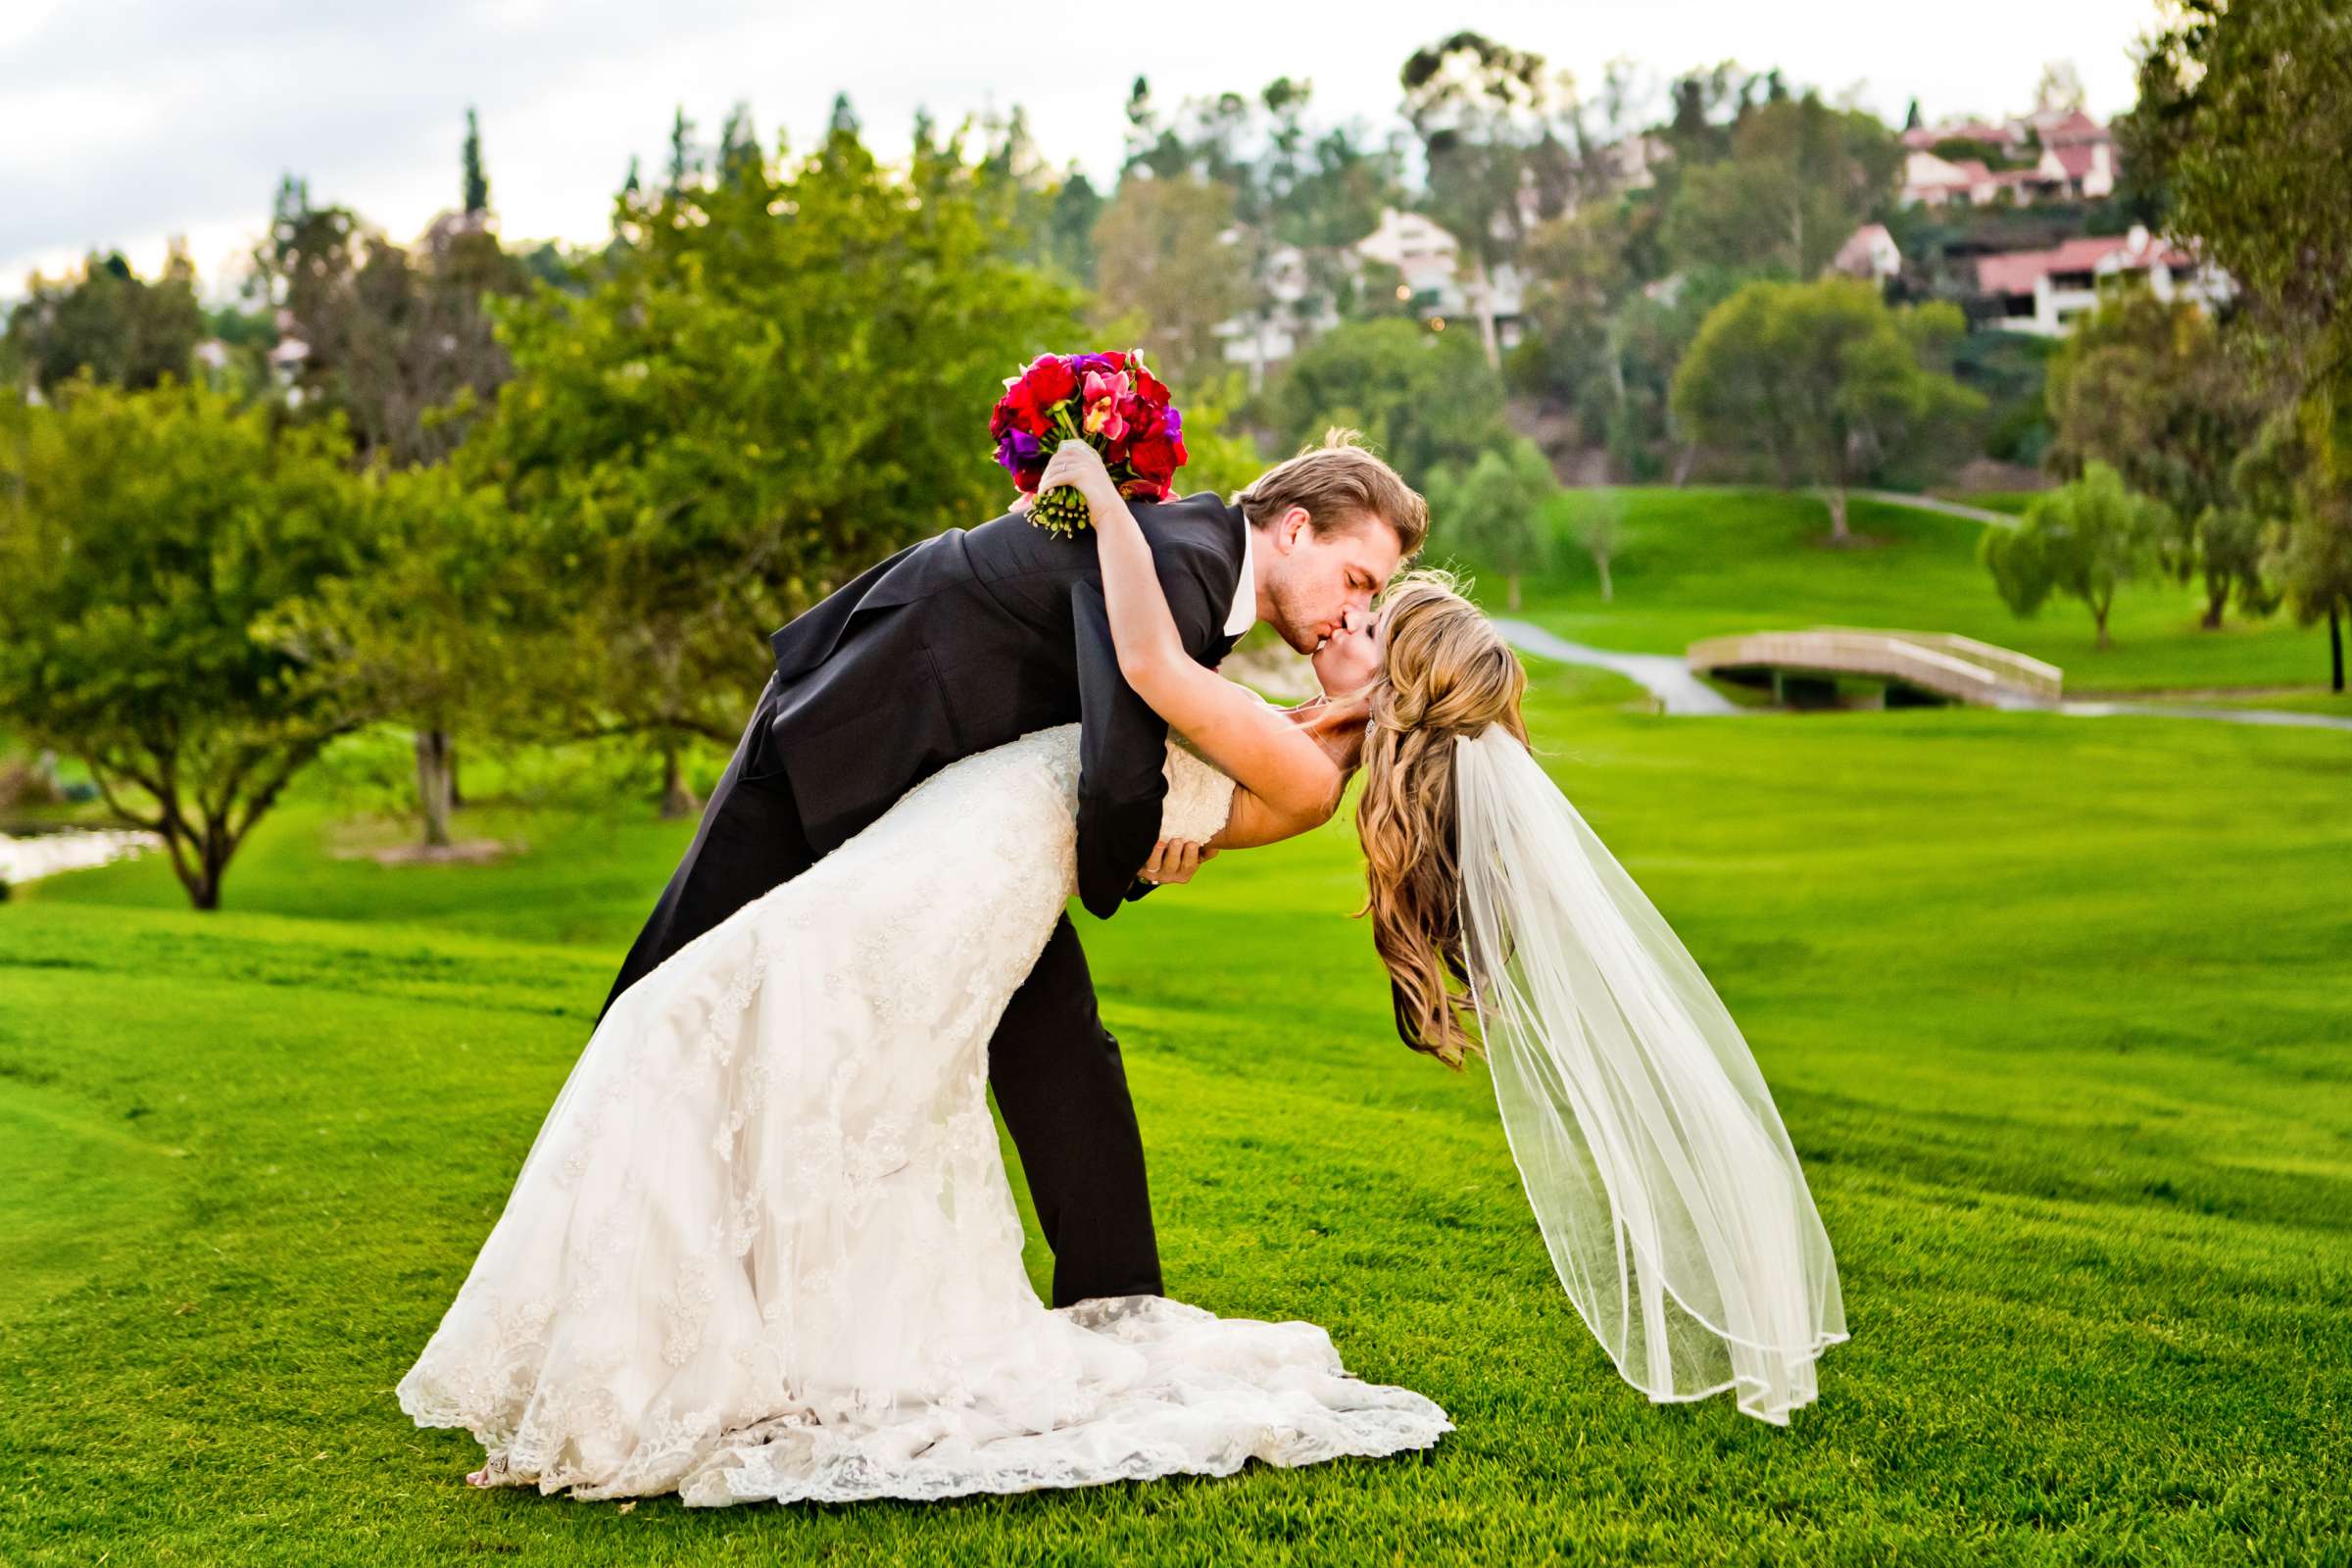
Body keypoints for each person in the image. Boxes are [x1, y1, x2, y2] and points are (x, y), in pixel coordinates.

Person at [595, 428, 1420, 1311]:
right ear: (1294, 530)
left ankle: (1120, 1310)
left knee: (1060, 1042)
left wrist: (1169, 831)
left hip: (967, 819)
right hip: (842, 740)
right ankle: (591, 1257)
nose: (1351, 608)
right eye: (1358, 580)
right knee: (668, 996)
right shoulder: (1183, 565)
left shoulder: (1196, 566)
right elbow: (1118, 772)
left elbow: (1131, 749)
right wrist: (1143, 859)